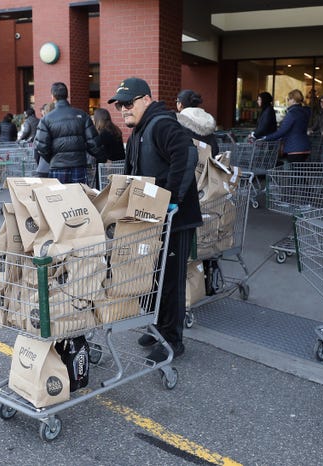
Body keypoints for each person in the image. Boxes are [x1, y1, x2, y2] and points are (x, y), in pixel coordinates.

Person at [108, 77, 202, 363]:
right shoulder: (139, 129)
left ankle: (173, 341)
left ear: (146, 100)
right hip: (152, 221)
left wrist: (173, 200)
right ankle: (158, 327)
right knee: (153, 278)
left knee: (170, 282)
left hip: (174, 219)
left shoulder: (161, 123)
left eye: (129, 103)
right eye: (119, 105)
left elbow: (186, 154)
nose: (123, 109)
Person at [34, 81, 103, 184]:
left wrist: (53, 159)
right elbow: (93, 143)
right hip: (78, 165)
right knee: (79, 197)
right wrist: (102, 158)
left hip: (57, 166)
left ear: (52, 97)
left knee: (59, 198)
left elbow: (41, 146)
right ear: (67, 95)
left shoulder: (46, 119)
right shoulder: (82, 115)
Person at [261, 89, 311, 163]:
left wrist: (266, 138)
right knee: (300, 172)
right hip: (305, 147)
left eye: (288, 99)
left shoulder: (292, 113)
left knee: (293, 173)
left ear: (293, 100)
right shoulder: (304, 112)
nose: (287, 101)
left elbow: (282, 131)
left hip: (294, 148)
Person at [175, 89, 219, 155]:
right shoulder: (207, 119)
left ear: (180, 104)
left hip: (190, 161)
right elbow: (215, 148)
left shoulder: (180, 120)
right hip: (208, 161)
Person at [92, 107, 125, 188]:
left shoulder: (102, 134)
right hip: (119, 165)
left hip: (106, 167)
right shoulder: (116, 130)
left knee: (103, 189)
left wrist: (104, 160)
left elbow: (98, 151)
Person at [33, 102, 54, 177]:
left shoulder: (43, 123)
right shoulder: (63, 125)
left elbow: (36, 147)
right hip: (60, 167)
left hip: (44, 167)